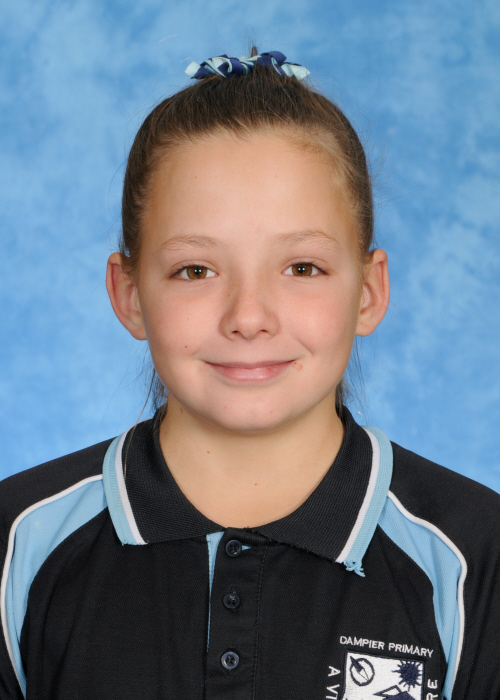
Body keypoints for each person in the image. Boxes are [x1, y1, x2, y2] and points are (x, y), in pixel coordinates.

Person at [0, 49, 499, 700]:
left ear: (369, 291)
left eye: (302, 268)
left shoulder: (473, 556)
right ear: (129, 294)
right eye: (195, 270)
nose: (248, 317)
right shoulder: (20, 546)